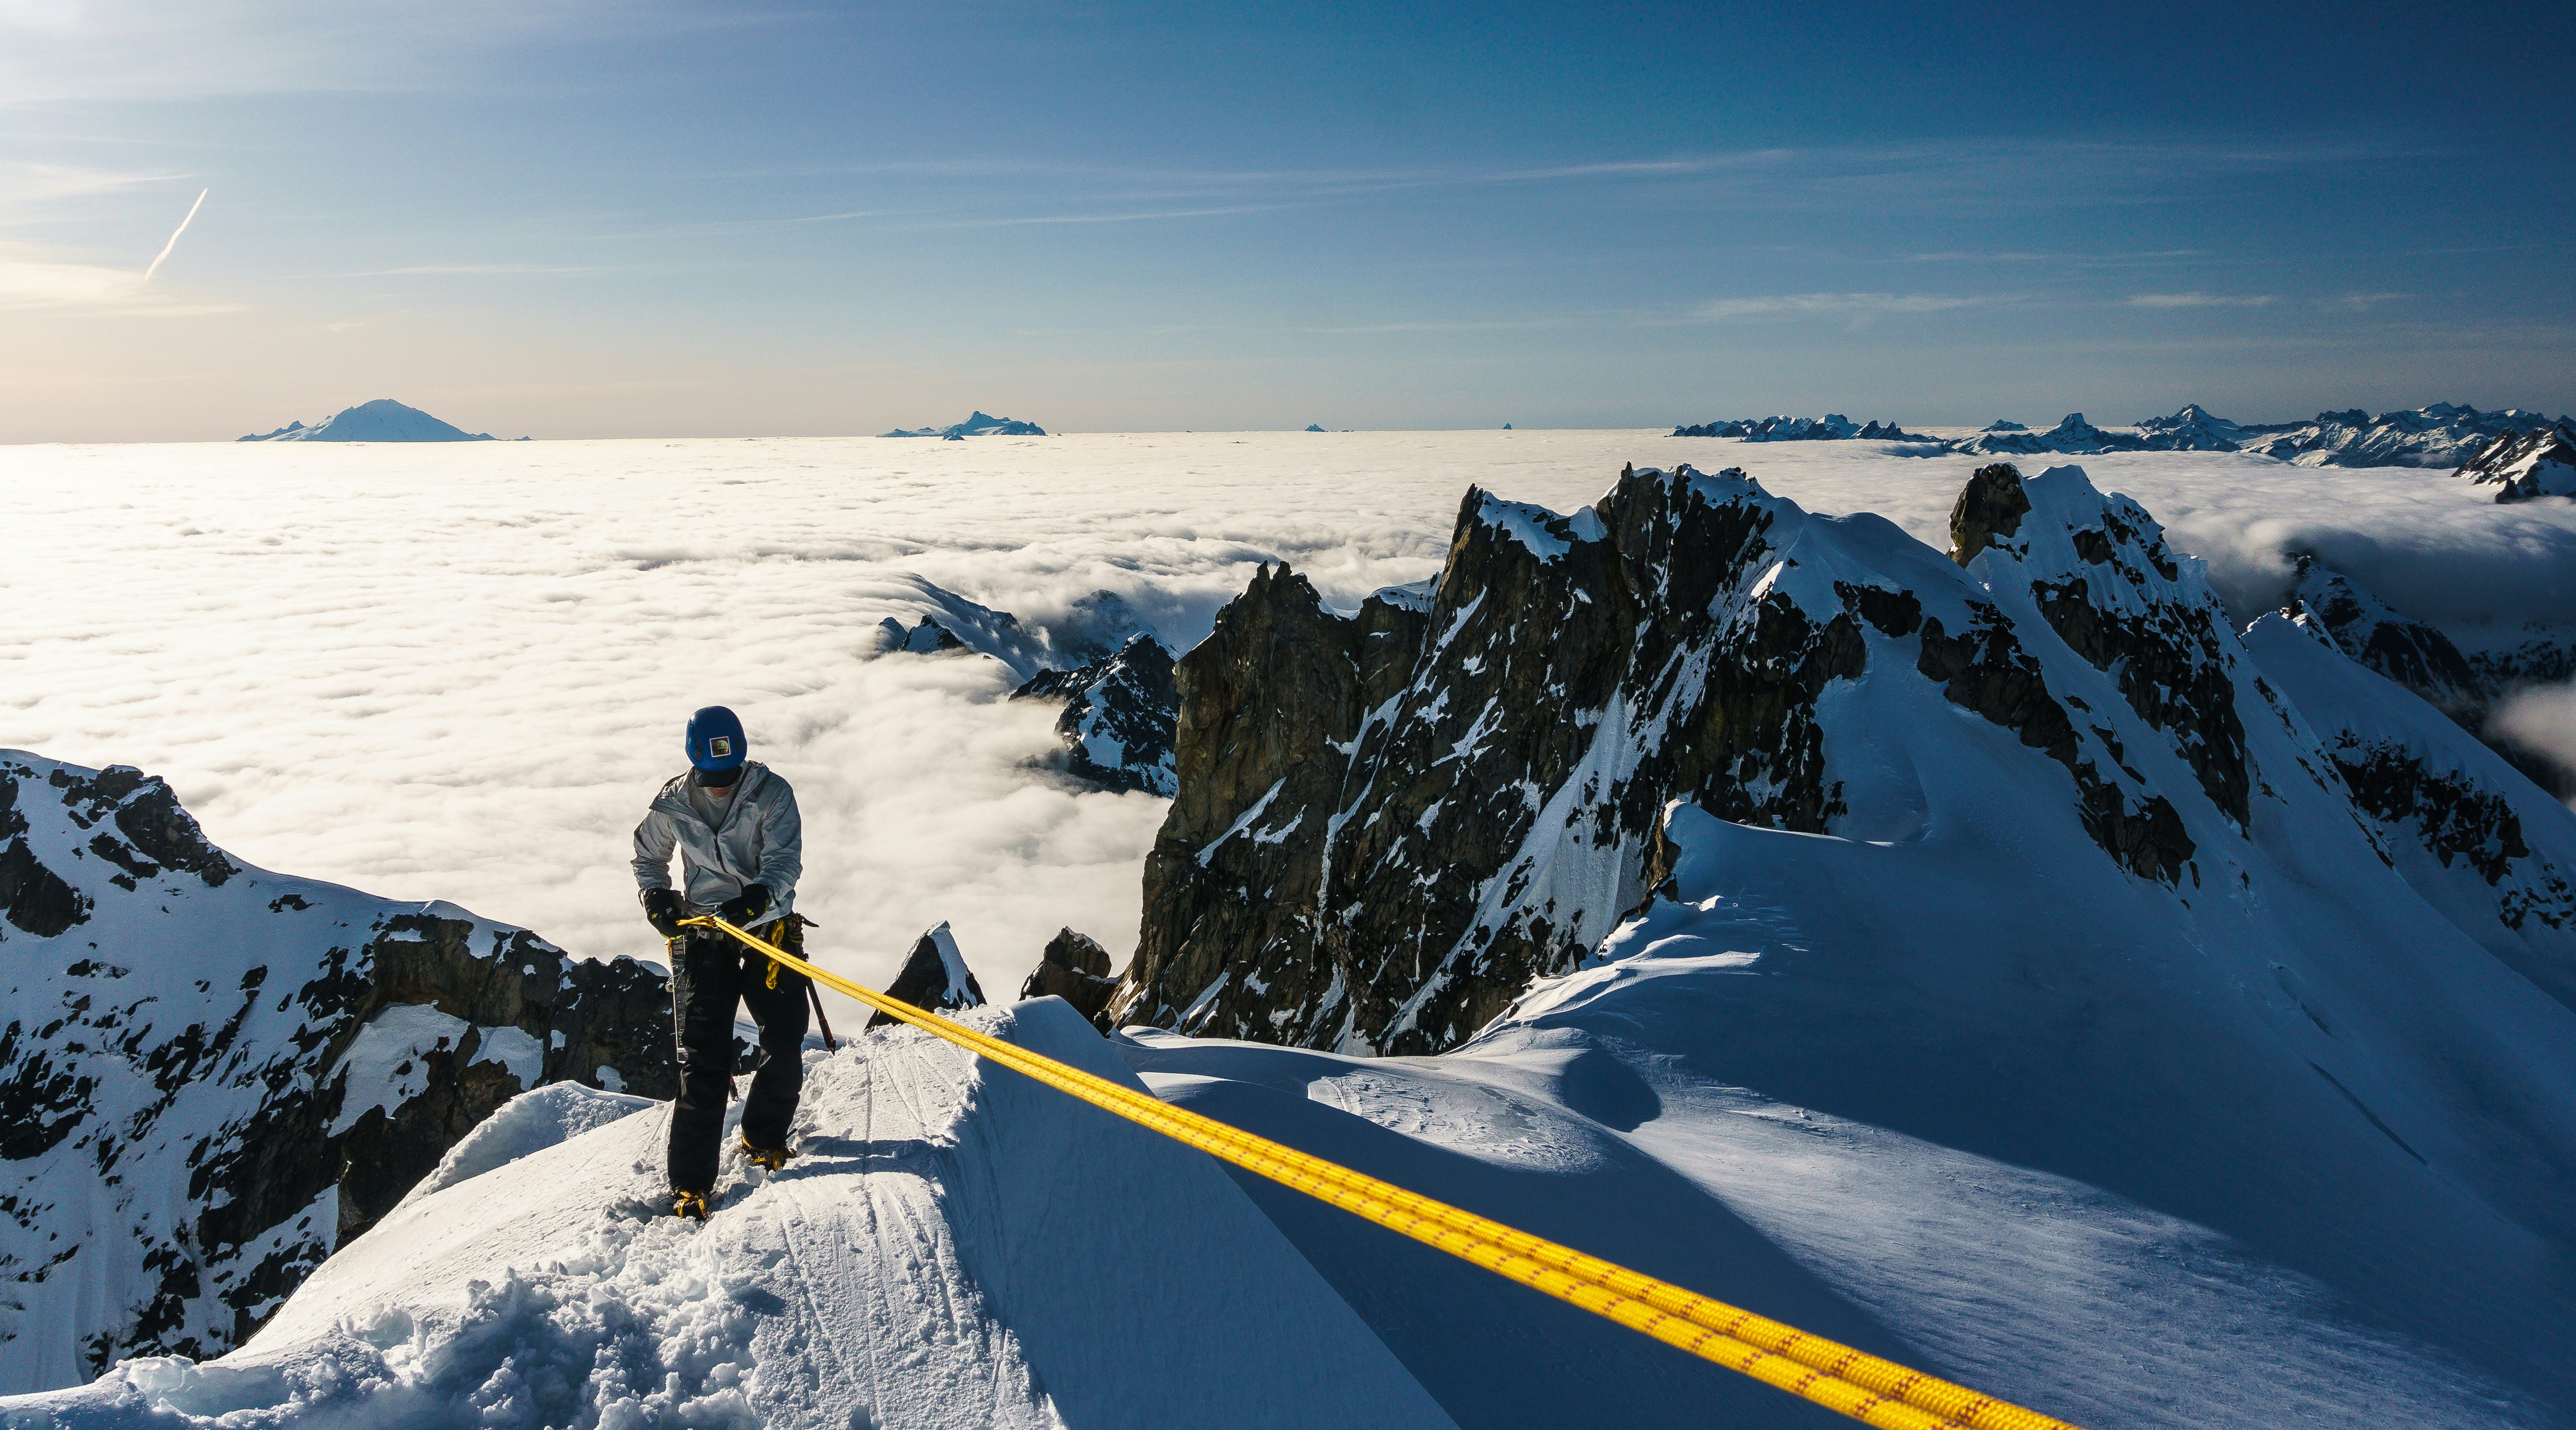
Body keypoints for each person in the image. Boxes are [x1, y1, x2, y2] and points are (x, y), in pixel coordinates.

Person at [633, 705, 809, 1221]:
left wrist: (757, 898)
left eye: (727, 776)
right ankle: (690, 1183)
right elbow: (648, 856)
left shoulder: (772, 794)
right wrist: (656, 898)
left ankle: (763, 1136)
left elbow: (784, 860)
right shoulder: (671, 805)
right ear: (693, 764)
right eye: (710, 777)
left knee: (784, 1037)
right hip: (706, 933)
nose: (719, 785)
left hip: (767, 926)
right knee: (702, 1059)